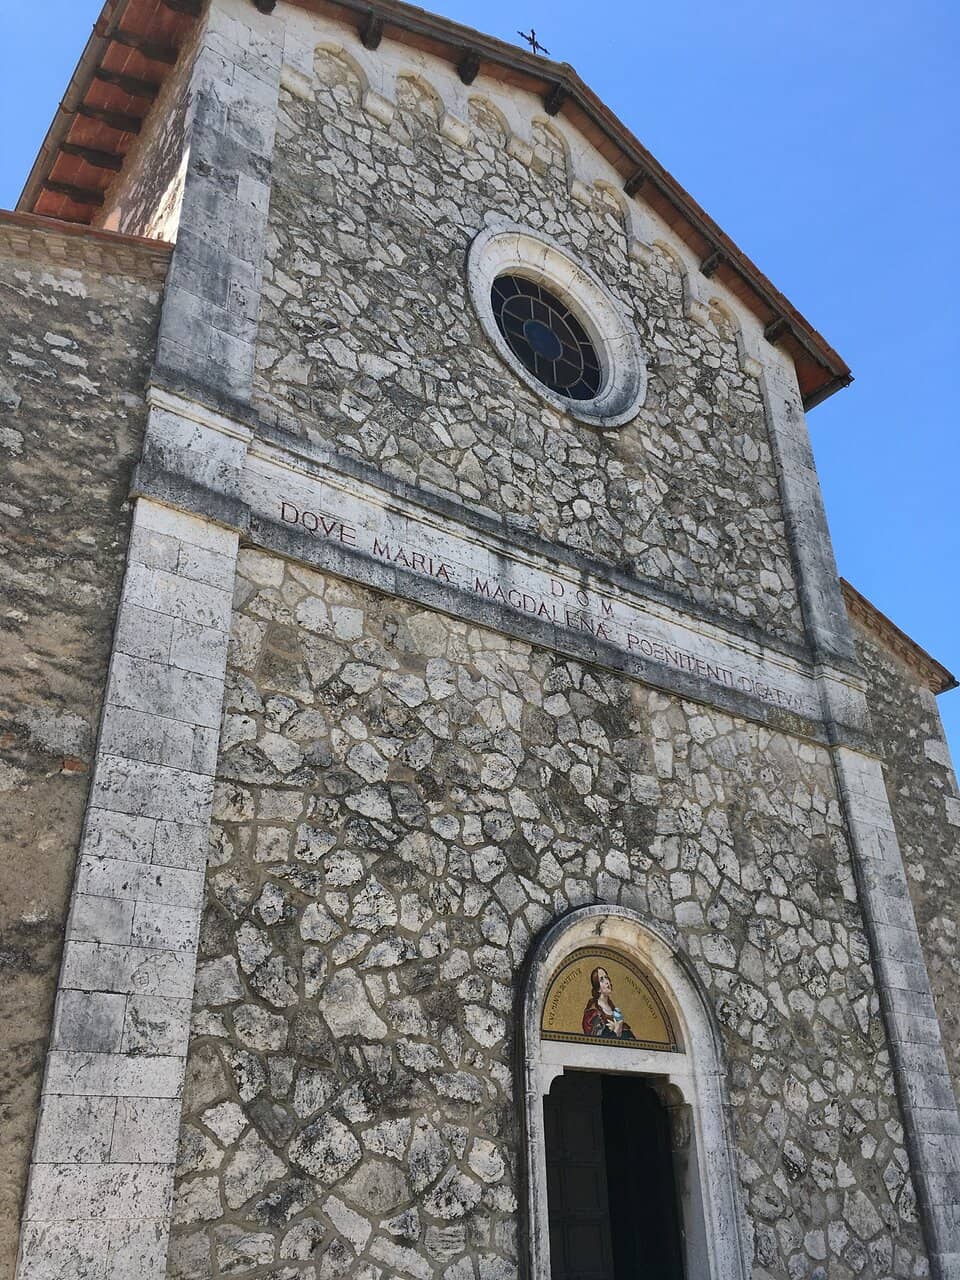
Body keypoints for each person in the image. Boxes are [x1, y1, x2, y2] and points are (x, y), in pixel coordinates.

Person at [581, 966, 634, 1040]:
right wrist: (616, 1030)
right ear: (598, 988)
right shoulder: (593, 1012)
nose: (607, 982)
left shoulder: (615, 1011)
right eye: (602, 979)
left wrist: (619, 1028)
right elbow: (596, 1041)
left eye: (606, 977)